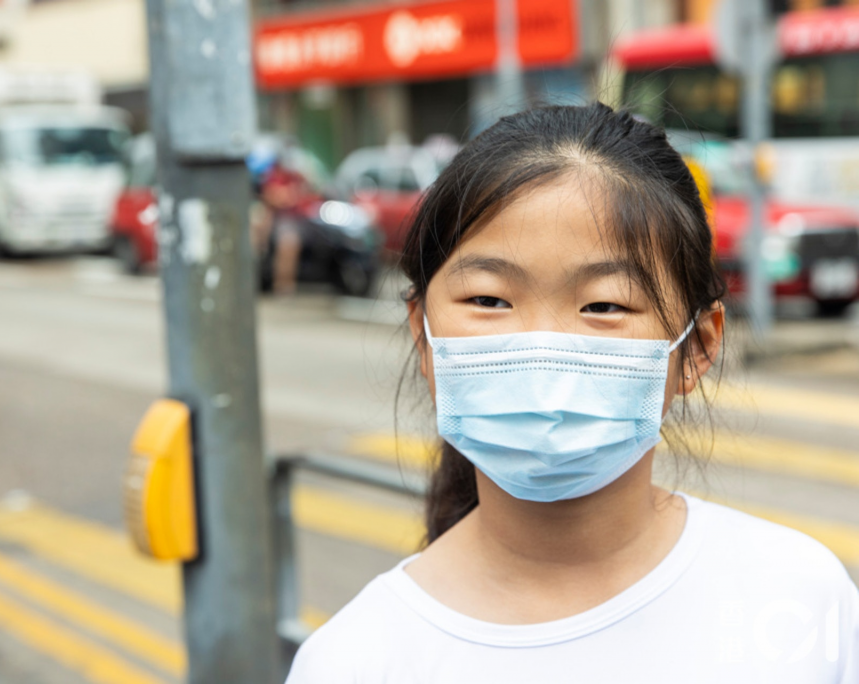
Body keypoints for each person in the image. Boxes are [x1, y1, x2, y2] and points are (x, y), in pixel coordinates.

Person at [285, 103, 858, 682]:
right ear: (423, 334)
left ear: (697, 347)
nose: (543, 351)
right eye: (489, 300)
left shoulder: (803, 599)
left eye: (604, 306)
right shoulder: (352, 661)